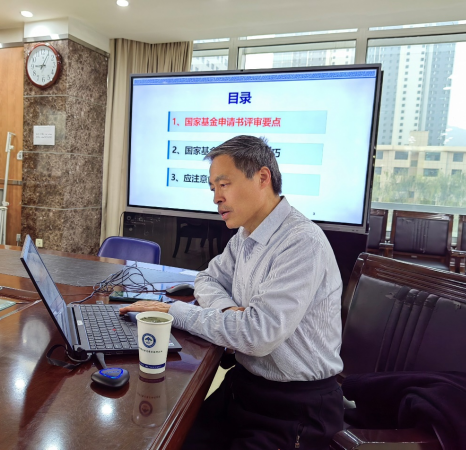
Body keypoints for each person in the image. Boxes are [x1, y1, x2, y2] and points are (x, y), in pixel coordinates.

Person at [120, 135, 344, 450]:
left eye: (224, 185)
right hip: (245, 388)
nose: (216, 198)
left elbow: (257, 335)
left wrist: (174, 311)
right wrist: (227, 311)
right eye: (213, 188)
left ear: (262, 178)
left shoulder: (301, 242)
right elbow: (207, 279)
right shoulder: (245, 236)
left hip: (294, 409)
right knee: (162, 437)